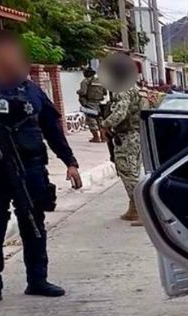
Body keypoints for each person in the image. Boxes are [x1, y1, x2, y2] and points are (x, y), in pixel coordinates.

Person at [0, 31, 83, 308]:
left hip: (32, 167)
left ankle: (37, 279)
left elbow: (52, 130)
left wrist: (70, 162)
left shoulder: (32, 90)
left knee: (33, 224)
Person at [100, 57, 145, 226]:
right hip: (136, 135)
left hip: (127, 136)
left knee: (127, 171)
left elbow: (120, 112)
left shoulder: (123, 89)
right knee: (133, 171)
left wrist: (105, 125)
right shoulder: (136, 88)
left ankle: (141, 210)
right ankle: (134, 208)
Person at [76, 67, 106, 143]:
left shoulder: (85, 81)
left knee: (91, 119)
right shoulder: (100, 81)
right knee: (100, 119)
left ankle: (96, 137)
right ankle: (103, 137)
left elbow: (83, 92)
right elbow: (105, 92)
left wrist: (78, 92)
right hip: (99, 103)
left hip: (89, 103)